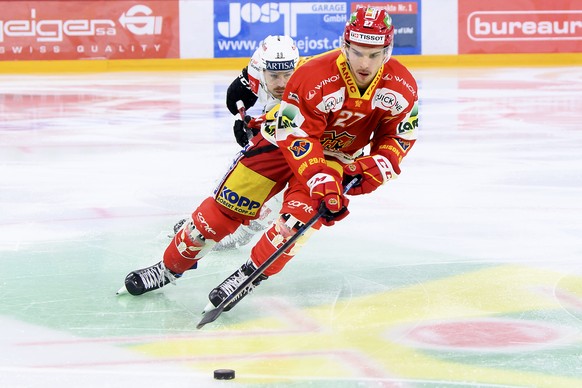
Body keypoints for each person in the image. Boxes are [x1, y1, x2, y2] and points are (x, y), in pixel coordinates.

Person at [118, 7, 419, 316]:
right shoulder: (314, 75)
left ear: (388, 50)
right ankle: (168, 268)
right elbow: (294, 132)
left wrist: (375, 166)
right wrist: (317, 176)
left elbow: (400, 137)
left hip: (332, 159)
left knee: (294, 224)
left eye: (374, 54)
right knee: (220, 213)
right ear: (345, 46)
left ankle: (251, 274)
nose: (364, 63)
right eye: (358, 52)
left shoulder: (403, 87)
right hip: (278, 145)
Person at [172, 35, 301, 250]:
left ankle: (243, 231)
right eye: (274, 75)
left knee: (281, 176)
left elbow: (285, 127)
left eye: (287, 75)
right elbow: (234, 97)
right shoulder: (255, 70)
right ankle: (215, 218)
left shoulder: (304, 83)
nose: (281, 83)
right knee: (245, 168)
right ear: (261, 70)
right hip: (277, 115)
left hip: (303, 126)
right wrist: (240, 120)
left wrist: (258, 126)